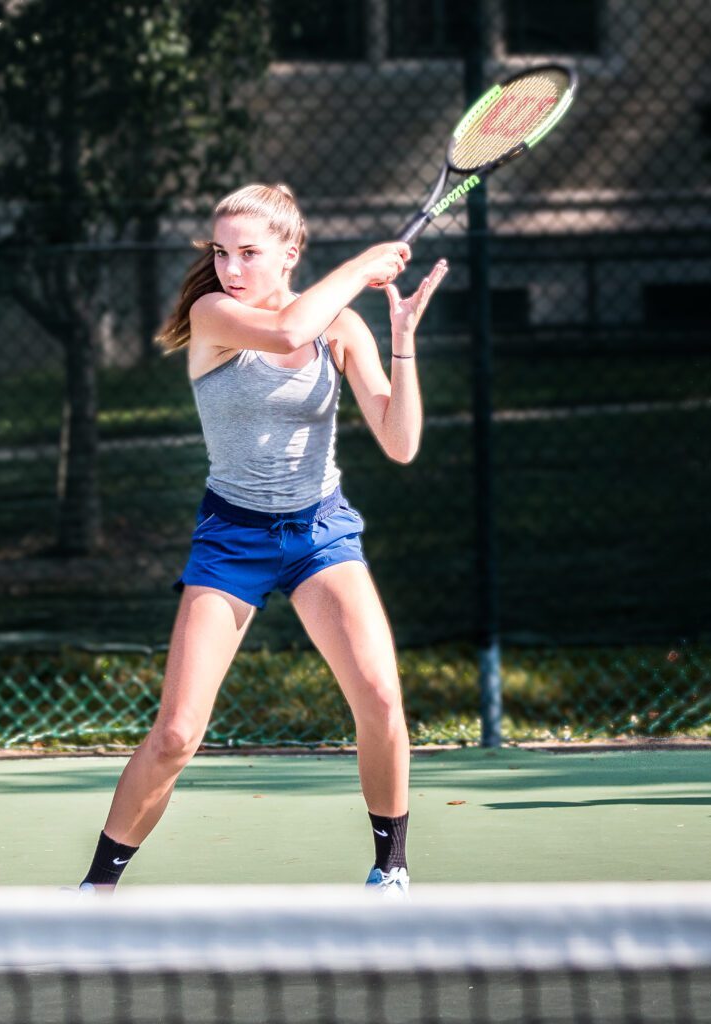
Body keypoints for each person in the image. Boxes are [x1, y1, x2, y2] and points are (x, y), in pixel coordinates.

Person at [75, 183, 447, 897]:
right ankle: (96, 889)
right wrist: (362, 266)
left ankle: (391, 869)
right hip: (231, 537)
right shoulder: (213, 315)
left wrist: (400, 344)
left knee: (378, 695)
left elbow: (400, 444)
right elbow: (284, 333)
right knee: (178, 733)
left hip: (319, 534)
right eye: (222, 252)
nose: (232, 268)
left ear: (289, 253)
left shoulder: (340, 329)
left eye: (249, 253)